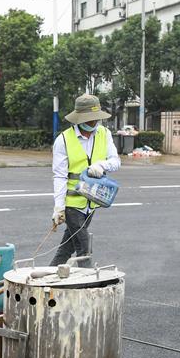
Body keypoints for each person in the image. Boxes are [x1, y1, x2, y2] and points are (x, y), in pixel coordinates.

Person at [50, 93, 120, 268]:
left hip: (94, 199)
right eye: (89, 119)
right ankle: (87, 282)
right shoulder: (63, 140)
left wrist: (102, 165)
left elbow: (116, 161)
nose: (93, 123)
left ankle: (47, 276)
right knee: (83, 245)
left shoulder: (105, 134)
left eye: (96, 119)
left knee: (68, 247)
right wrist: (59, 207)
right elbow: (59, 176)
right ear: (79, 119)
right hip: (72, 202)